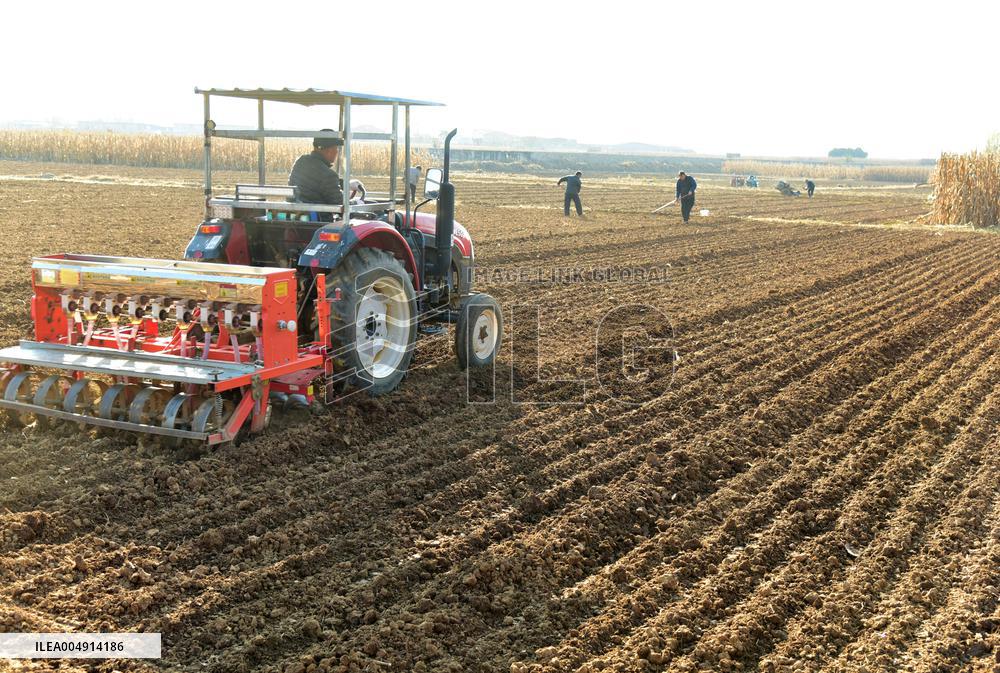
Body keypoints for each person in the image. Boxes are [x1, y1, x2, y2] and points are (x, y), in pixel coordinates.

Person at [288, 129, 344, 205]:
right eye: (336, 148)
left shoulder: (300, 162)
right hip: (317, 212)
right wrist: (357, 202)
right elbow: (340, 203)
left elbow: (314, 181)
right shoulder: (328, 175)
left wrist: (346, 184)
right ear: (330, 150)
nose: (337, 152)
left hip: (297, 210)